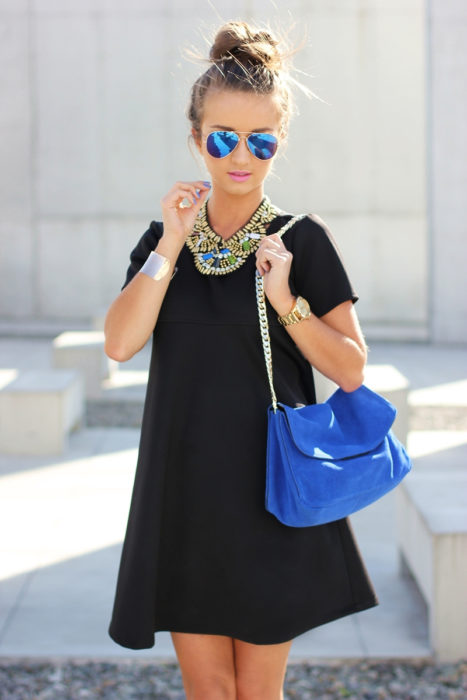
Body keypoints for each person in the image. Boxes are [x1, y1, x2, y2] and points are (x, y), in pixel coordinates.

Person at [105, 19, 378, 700]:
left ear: (278, 144)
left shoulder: (300, 241)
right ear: (197, 138)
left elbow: (349, 369)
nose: (241, 157)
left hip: (268, 495)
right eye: (224, 138)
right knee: (207, 691)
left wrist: (284, 297)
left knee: (256, 692)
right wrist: (169, 244)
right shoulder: (162, 243)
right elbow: (119, 341)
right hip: (184, 493)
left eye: (261, 142)